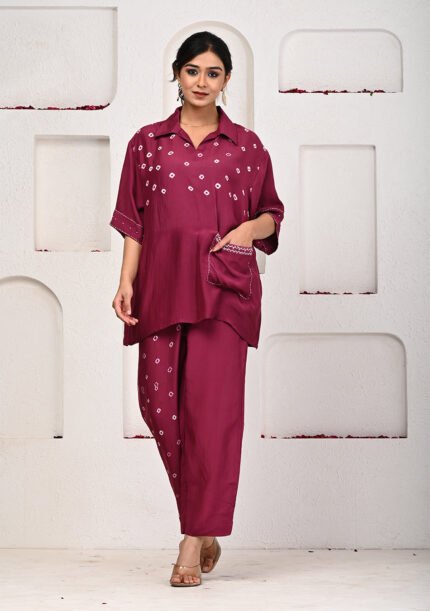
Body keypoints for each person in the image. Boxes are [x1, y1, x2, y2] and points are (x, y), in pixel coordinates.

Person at [110, 31, 285, 587]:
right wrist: (126, 281)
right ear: (177, 75)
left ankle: (191, 538)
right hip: (161, 289)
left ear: (227, 79)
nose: (202, 82)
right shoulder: (147, 143)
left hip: (223, 294)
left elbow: (272, 215)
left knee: (211, 418)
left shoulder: (246, 147)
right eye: (192, 71)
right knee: (158, 407)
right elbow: (134, 221)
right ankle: (203, 522)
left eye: (213, 72)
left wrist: (246, 230)